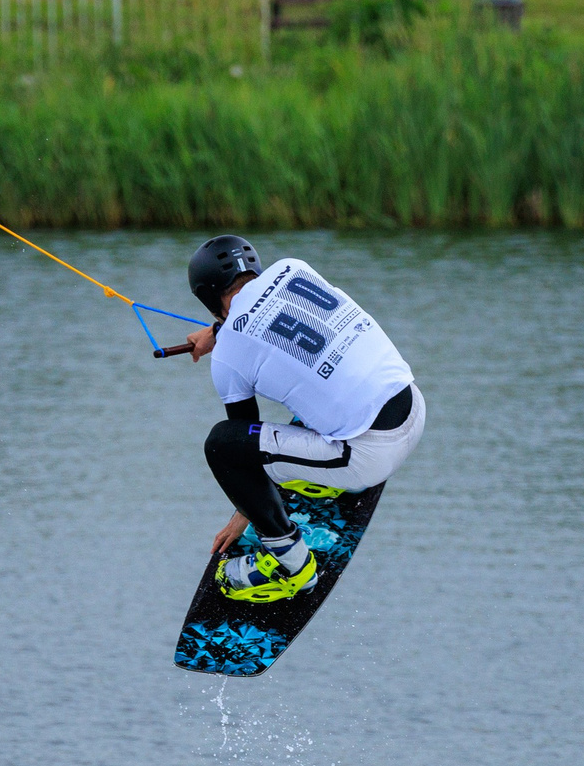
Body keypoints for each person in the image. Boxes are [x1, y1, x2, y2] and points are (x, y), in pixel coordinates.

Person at [180, 235, 425, 602]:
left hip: (368, 455)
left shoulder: (228, 356)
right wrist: (220, 332)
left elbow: (243, 445)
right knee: (312, 384)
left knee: (222, 444)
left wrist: (247, 512)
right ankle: (318, 476)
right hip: (413, 405)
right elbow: (281, 320)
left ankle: (290, 564)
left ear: (206, 297)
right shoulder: (293, 269)